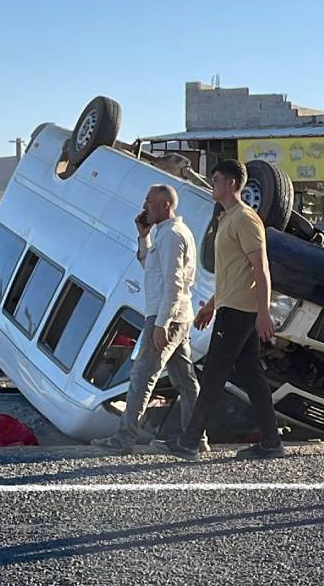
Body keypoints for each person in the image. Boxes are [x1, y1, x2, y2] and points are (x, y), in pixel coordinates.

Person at [154, 160, 285, 462]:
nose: (211, 184)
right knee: (251, 374)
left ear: (231, 184)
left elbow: (260, 269)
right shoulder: (226, 220)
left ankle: (188, 442)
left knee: (213, 373)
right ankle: (271, 441)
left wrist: (263, 313)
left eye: (215, 180)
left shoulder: (246, 219)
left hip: (240, 310)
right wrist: (210, 307)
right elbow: (230, 272)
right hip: (228, 307)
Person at [91, 185, 204, 454]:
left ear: (165, 205)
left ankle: (124, 437)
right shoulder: (166, 234)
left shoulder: (173, 235)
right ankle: (196, 437)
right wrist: (143, 237)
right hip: (176, 315)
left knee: (143, 375)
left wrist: (161, 323)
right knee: (184, 379)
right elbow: (152, 270)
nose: (145, 206)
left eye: (150, 202)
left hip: (167, 316)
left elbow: (174, 283)